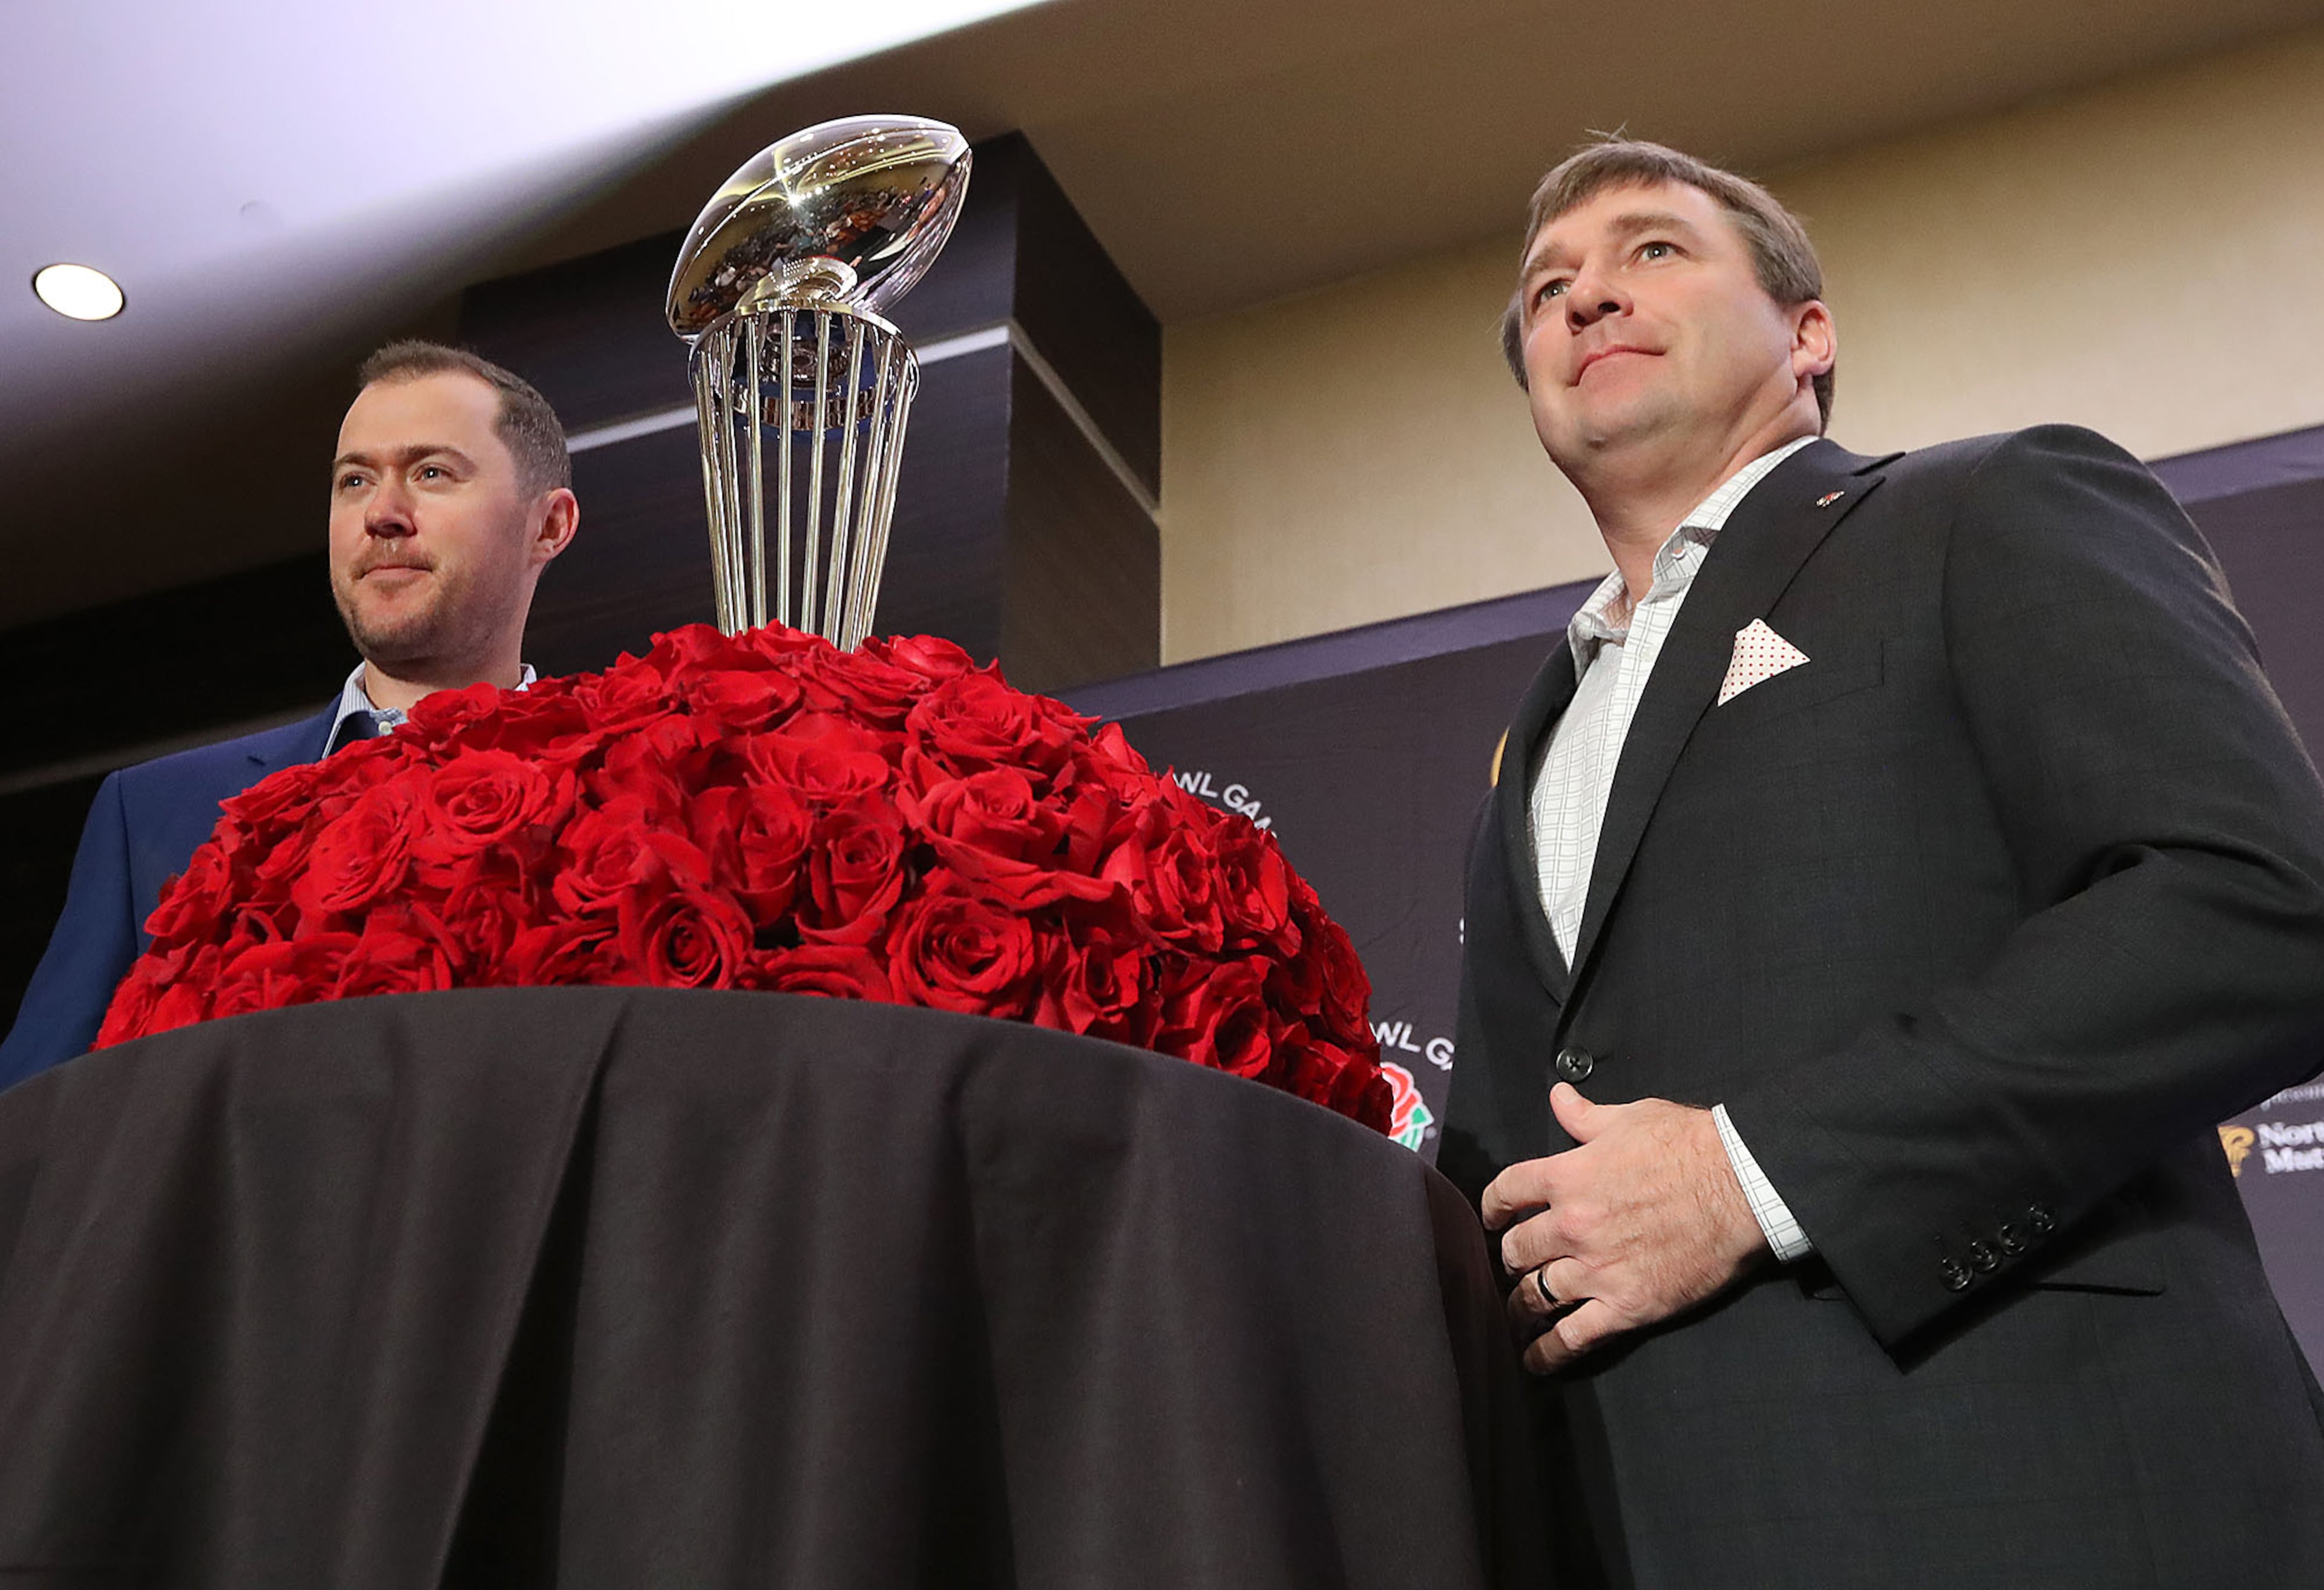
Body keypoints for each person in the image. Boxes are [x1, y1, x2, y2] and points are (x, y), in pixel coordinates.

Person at [1440, 138, 2324, 1588]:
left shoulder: (1984, 507)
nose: (1585, 298)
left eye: (1650, 251)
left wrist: (1752, 1173)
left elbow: (2254, 902)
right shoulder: (1528, 742)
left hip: (2031, 1488)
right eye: (1547, 289)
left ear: (1806, 334)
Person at [0, 342, 579, 1086]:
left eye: (432, 473)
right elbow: (33, 1122)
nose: (382, 514)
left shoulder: (630, 793)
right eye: (354, 480)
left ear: (549, 526)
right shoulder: (150, 813)